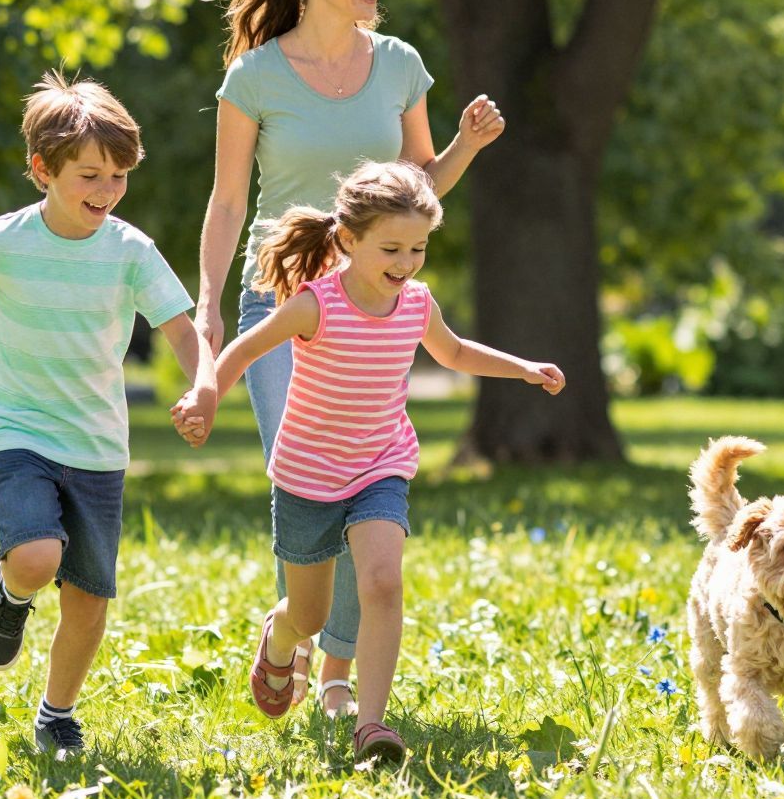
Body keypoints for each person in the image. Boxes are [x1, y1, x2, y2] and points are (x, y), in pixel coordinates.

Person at [198, 0, 505, 717]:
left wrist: (466, 147)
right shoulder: (255, 76)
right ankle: (292, 629)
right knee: (308, 476)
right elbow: (228, 202)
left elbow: (417, 187)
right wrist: (208, 306)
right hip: (282, 298)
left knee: (361, 471)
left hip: (372, 305)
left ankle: (336, 672)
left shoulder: (399, 64)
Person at [0, 73, 213, 760]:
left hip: (97, 442)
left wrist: (202, 386)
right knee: (35, 556)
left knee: (88, 600)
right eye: (91, 175)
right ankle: (13, 593)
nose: (107, 190)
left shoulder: (130, 251)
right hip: (15, 425)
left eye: (119, 176)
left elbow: (180, 327)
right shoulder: (7, 241)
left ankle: (58, 713)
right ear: (43, 170)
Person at [178, 162, 563, 763]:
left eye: (418, 248)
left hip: (381, 465)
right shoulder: (316, 305)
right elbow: (245, 350)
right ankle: (280, 636)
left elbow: (455, 352)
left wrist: (523, 368)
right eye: (392, 248)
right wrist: (205, 399)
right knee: (310, 614)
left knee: (382, 583)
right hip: (308, 476)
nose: (406, 263)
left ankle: (372, 725)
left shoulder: (416, 304)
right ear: (348, 240)